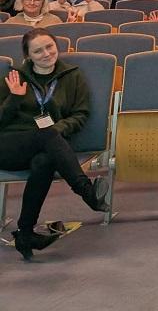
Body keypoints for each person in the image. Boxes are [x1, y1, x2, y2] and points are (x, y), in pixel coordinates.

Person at [0, 28, 111, 259]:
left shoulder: (73, 75)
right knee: (47, 137)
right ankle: (87, 191)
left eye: (49, 46)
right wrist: (14, 98)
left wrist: (55, 133)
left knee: (45, 161)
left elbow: (80, 114)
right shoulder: (14, 77)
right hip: (7, 145)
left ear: (56, 46)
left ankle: (25, 233)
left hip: (46, 142)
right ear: (28, 56)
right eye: (38, 51)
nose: (46, 53)